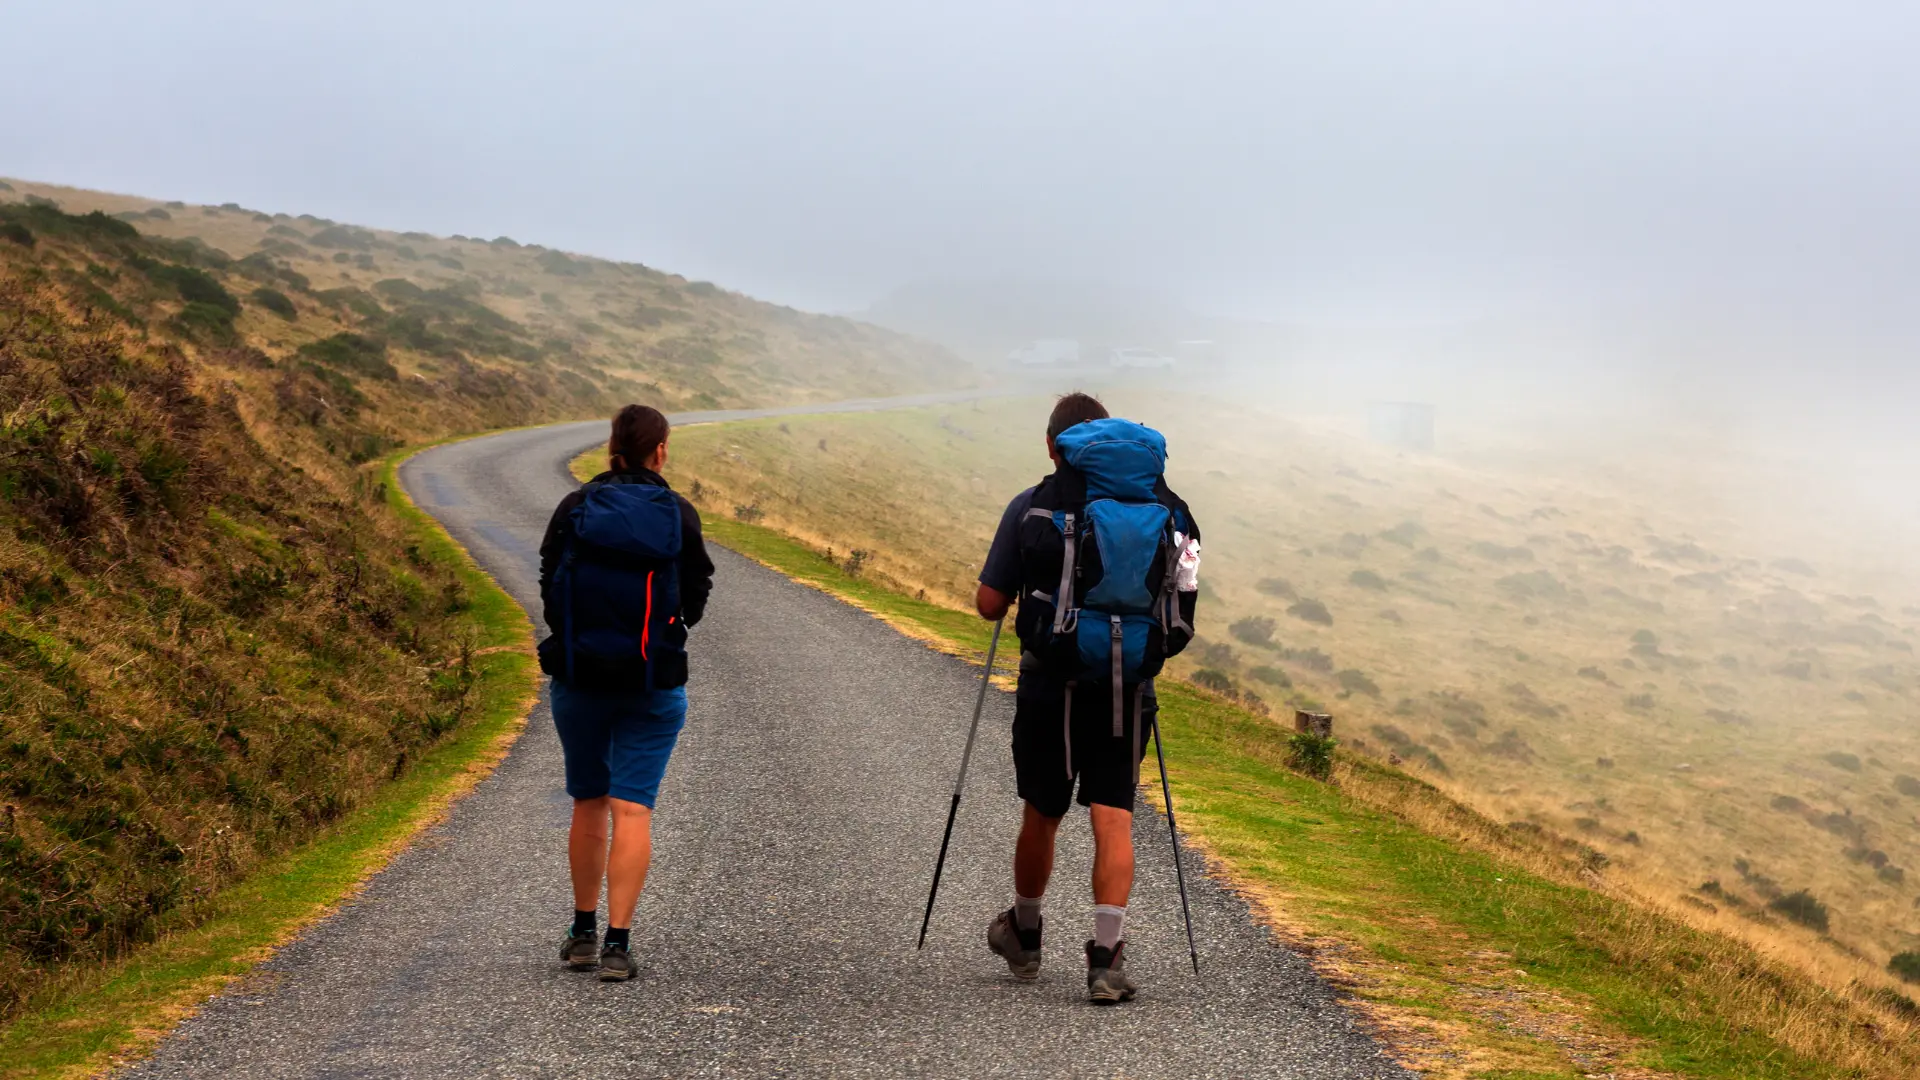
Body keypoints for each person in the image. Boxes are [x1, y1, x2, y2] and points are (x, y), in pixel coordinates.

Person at [974, 392, 1201, 1004]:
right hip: (1130, 684)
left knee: (1042, 812)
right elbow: (1181, 595)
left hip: (1051, 681)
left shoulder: (1034, 506)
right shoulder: (1167, 511)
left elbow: (990, 605)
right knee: (1114, 814)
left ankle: (1025, 934)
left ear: (1055, 448)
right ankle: (1106, 959)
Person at [537, 404, 715, 981]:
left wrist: (579, 641)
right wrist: (669, 631)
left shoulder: (576, 506)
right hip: (652, 679)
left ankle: (582, 934)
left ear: (612, 445)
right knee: (632, 807)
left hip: (580, 676)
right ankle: (618, 944)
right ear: (660, 450)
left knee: (589, 801)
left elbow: (548, 579)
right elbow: (696, 589)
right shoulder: (677, 512)